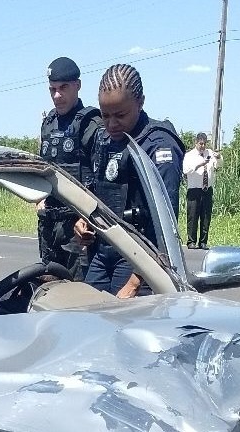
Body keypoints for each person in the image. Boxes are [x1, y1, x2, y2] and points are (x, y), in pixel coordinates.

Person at [77, 64, 185, 298]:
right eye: (105, 115)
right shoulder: (103, 139)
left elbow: (165, 227)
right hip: (103, 254)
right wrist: (83, 219)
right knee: (85, 315)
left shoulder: (158, 145)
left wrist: (134, 284)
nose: (112, 124)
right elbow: (94, 190)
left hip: (140, 261)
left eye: (120, 115)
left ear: (141, 102)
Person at [36, 57, 101, 278]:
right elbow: (42, 167)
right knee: (49, 286)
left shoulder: (91, 123)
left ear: (78, 86)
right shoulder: (48, 123)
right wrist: (38, 199)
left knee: (78, 293)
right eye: (52, 89)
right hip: (49, 224)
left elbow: (101, 178)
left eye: (63, 88)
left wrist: (87, 218)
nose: (57, 95)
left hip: (77, 226)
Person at [182, 132, 221, 249]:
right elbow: (185, 170)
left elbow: (218, 166)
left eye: (204, 144)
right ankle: (191, 241)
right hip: (194, 189)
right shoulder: (190, 155)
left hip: (207, 189)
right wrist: (200, 164)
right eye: (201, 144)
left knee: (206, 216)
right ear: (196, 143)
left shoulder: (210, 153)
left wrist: (218, 158)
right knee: (192, 216)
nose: (203, 146)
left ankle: (203, 241)